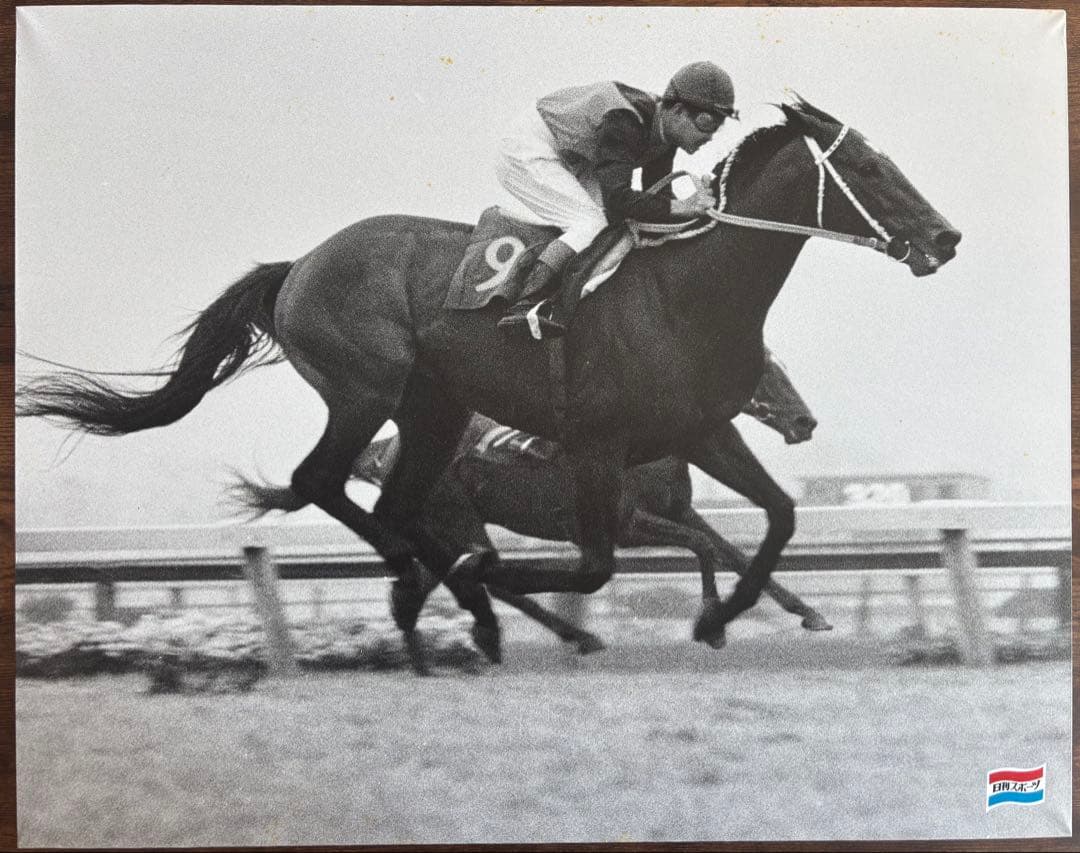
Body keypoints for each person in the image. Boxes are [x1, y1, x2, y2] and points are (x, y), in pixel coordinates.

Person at [494, 60, 739, 338]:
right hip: (530, 144)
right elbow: (619, 200)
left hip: (574, 155)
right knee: (591, 223)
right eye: (706, 123)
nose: (710, 136)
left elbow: (655, 198)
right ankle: (524, 305)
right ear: (679, 111)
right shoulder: (625, 120)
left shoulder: (664, 134)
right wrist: (683, 207)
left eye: (717, 126)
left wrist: (701, 212)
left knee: (612, 228)